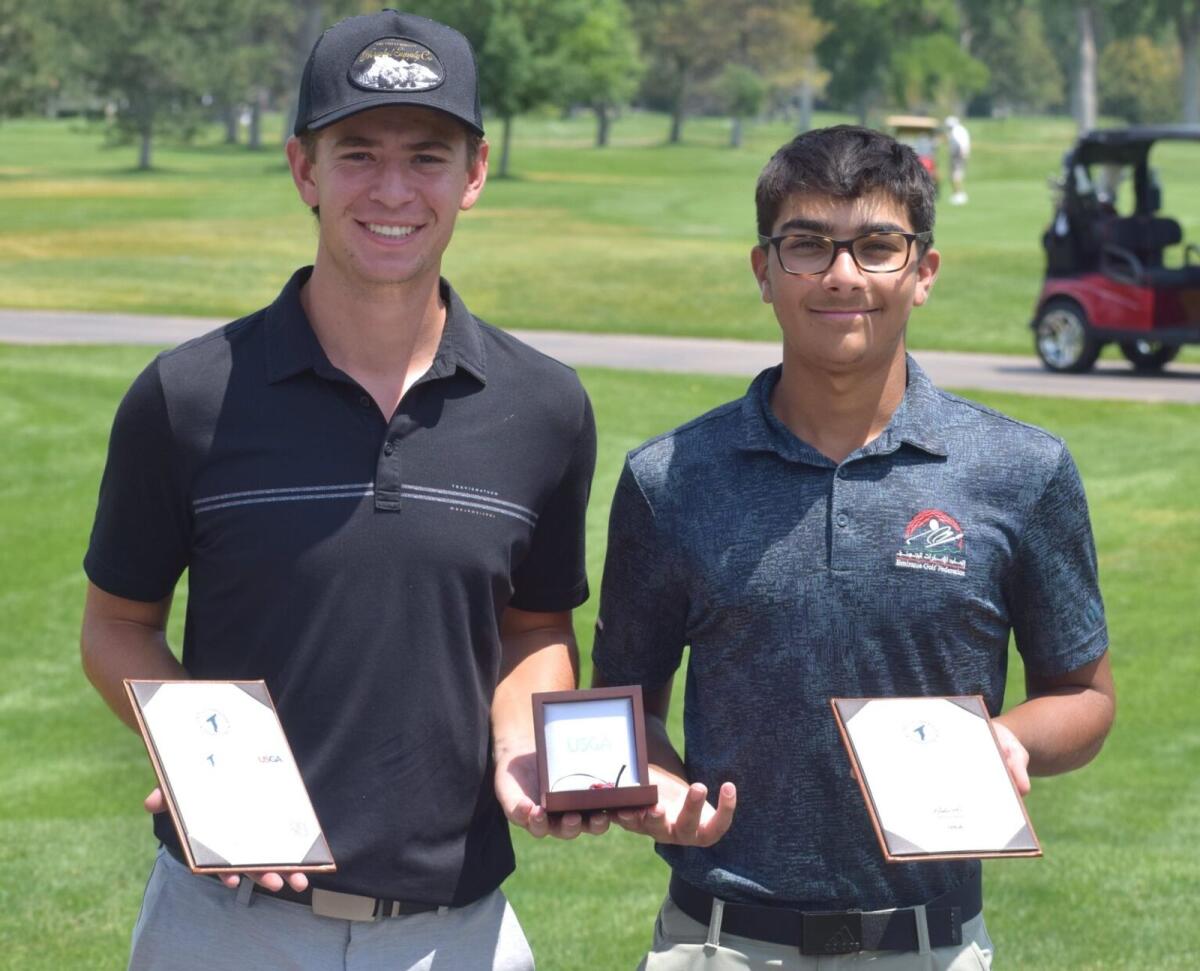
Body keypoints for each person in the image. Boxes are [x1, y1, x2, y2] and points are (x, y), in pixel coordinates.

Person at [81, 10, 602, 970]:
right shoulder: (187, 395)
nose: (393, 189)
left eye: (428, 156)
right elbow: (116, 625)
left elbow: (534, 630)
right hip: (223, 922)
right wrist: (202, 756)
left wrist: (531, 746)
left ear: (475, 174)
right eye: (357, 152)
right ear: (302, 170)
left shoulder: (544, 406)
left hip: (460, 928)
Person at [592, 125, 1114, 970]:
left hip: (927, 943)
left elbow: (1085, 695)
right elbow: (624, 706)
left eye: (877, 246)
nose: (842, 275)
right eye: (807, 245)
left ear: (924, 272)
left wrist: (1011, 739)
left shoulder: (1020, 470)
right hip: (719, 939)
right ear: (763, 270)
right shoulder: (669, 479)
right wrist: (656, 785)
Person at [945, 115, 971, 205]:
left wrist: (959, 154)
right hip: (960, 156)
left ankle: (959, 194)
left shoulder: (956, 131)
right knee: (956, 175)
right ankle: (957, 194)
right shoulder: (961, 130)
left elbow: (959, 145)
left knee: (955, 175)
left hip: (957, 156)